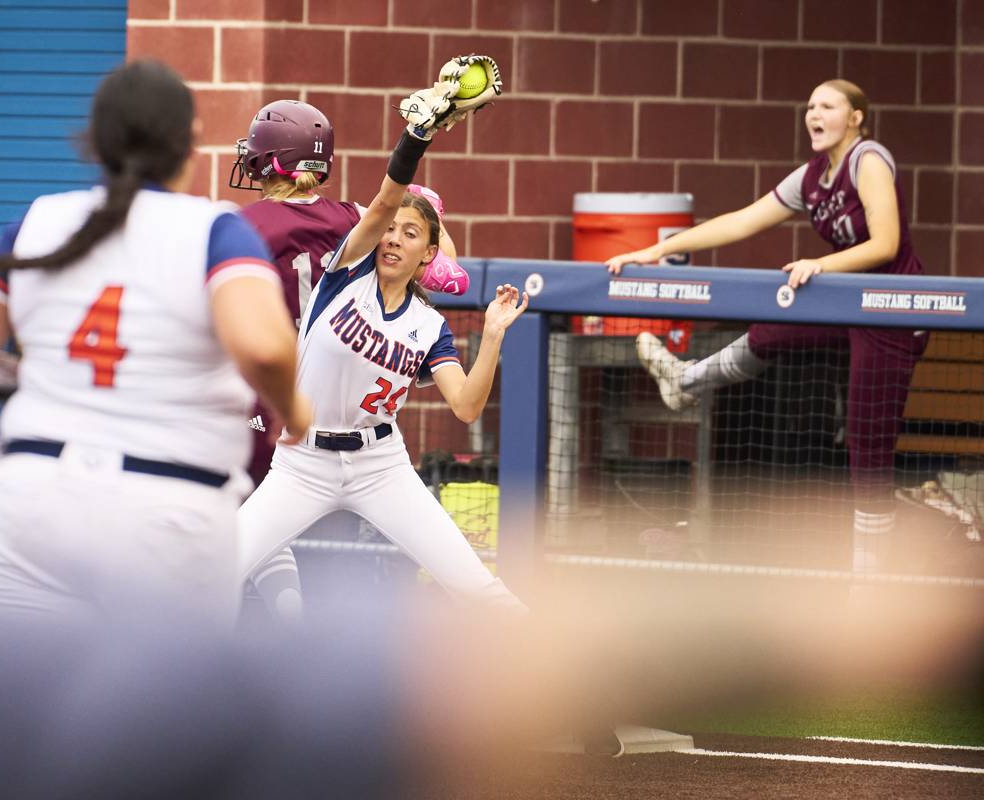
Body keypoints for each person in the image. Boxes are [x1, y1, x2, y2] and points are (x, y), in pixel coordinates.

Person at [0, 60, 308, 625]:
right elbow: (265, 348)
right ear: (190, 140)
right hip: (167, 505)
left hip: (34, 499)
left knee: (21, 709)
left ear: (96, 144)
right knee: (162, 711)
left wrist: (38, 377)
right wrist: (296, 411)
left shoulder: (39, 219)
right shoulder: (215, 229)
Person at [605, 79, 928, 576]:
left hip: (892, 311)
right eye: (809, 106)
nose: (813, 114)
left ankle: (869, 583)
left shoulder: (870, 159)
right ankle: (684, 380)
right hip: (847, 302)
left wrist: (823, 265)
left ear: (857, 117)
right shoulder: (812, 177)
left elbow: (885, 243)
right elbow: (740, 221)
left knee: (868, 444)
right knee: (773, 329)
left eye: (827, 105)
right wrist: (657, 249)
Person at [235, 82, 529, 613]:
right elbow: (394, 208)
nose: (392, 238)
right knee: (221, 561)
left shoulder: (426, 322)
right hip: (303, 456)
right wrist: (417, 137)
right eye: (387, 231)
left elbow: (464, 405)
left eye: (409, 234)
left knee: (474, 586)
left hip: (378, 460)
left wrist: (490, 335)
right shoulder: (344, 269)